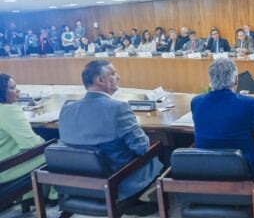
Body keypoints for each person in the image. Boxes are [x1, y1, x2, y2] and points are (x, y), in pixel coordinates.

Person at [58, 61, 162, 209]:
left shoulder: (67, 108)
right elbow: (142, 148)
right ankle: (141, 202)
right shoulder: (118, 108)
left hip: (78, 182)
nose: (118, 77)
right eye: (113, 73)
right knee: (161, 148)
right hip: (117, 180)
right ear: (100, 80)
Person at [192, 58, 254, 202]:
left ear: (211, 79)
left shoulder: (196, 102)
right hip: (241, 167)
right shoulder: (248, 103)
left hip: (205, 165)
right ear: (236, 80)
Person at [0, 74, 55, 203]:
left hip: (4, 163)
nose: (18, 91)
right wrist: (49, 144)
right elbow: (32, 144)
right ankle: (56, 197)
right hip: (6, 169)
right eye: (13, 88)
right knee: (60, 151)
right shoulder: (9, 110)